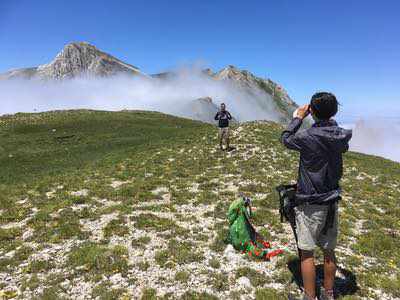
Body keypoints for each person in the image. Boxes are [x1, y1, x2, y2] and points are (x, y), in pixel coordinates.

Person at [280, 92, 352, 300]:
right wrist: (328, 119)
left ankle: (310, 297)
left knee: (307, 252)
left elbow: (285, 139)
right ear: (334, 112)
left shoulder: (307, 136)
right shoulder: (340, 136)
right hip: (332, 200)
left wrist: (298, 117)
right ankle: (329, 293)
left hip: (310, 202)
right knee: (329, 250)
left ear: (312, 111)